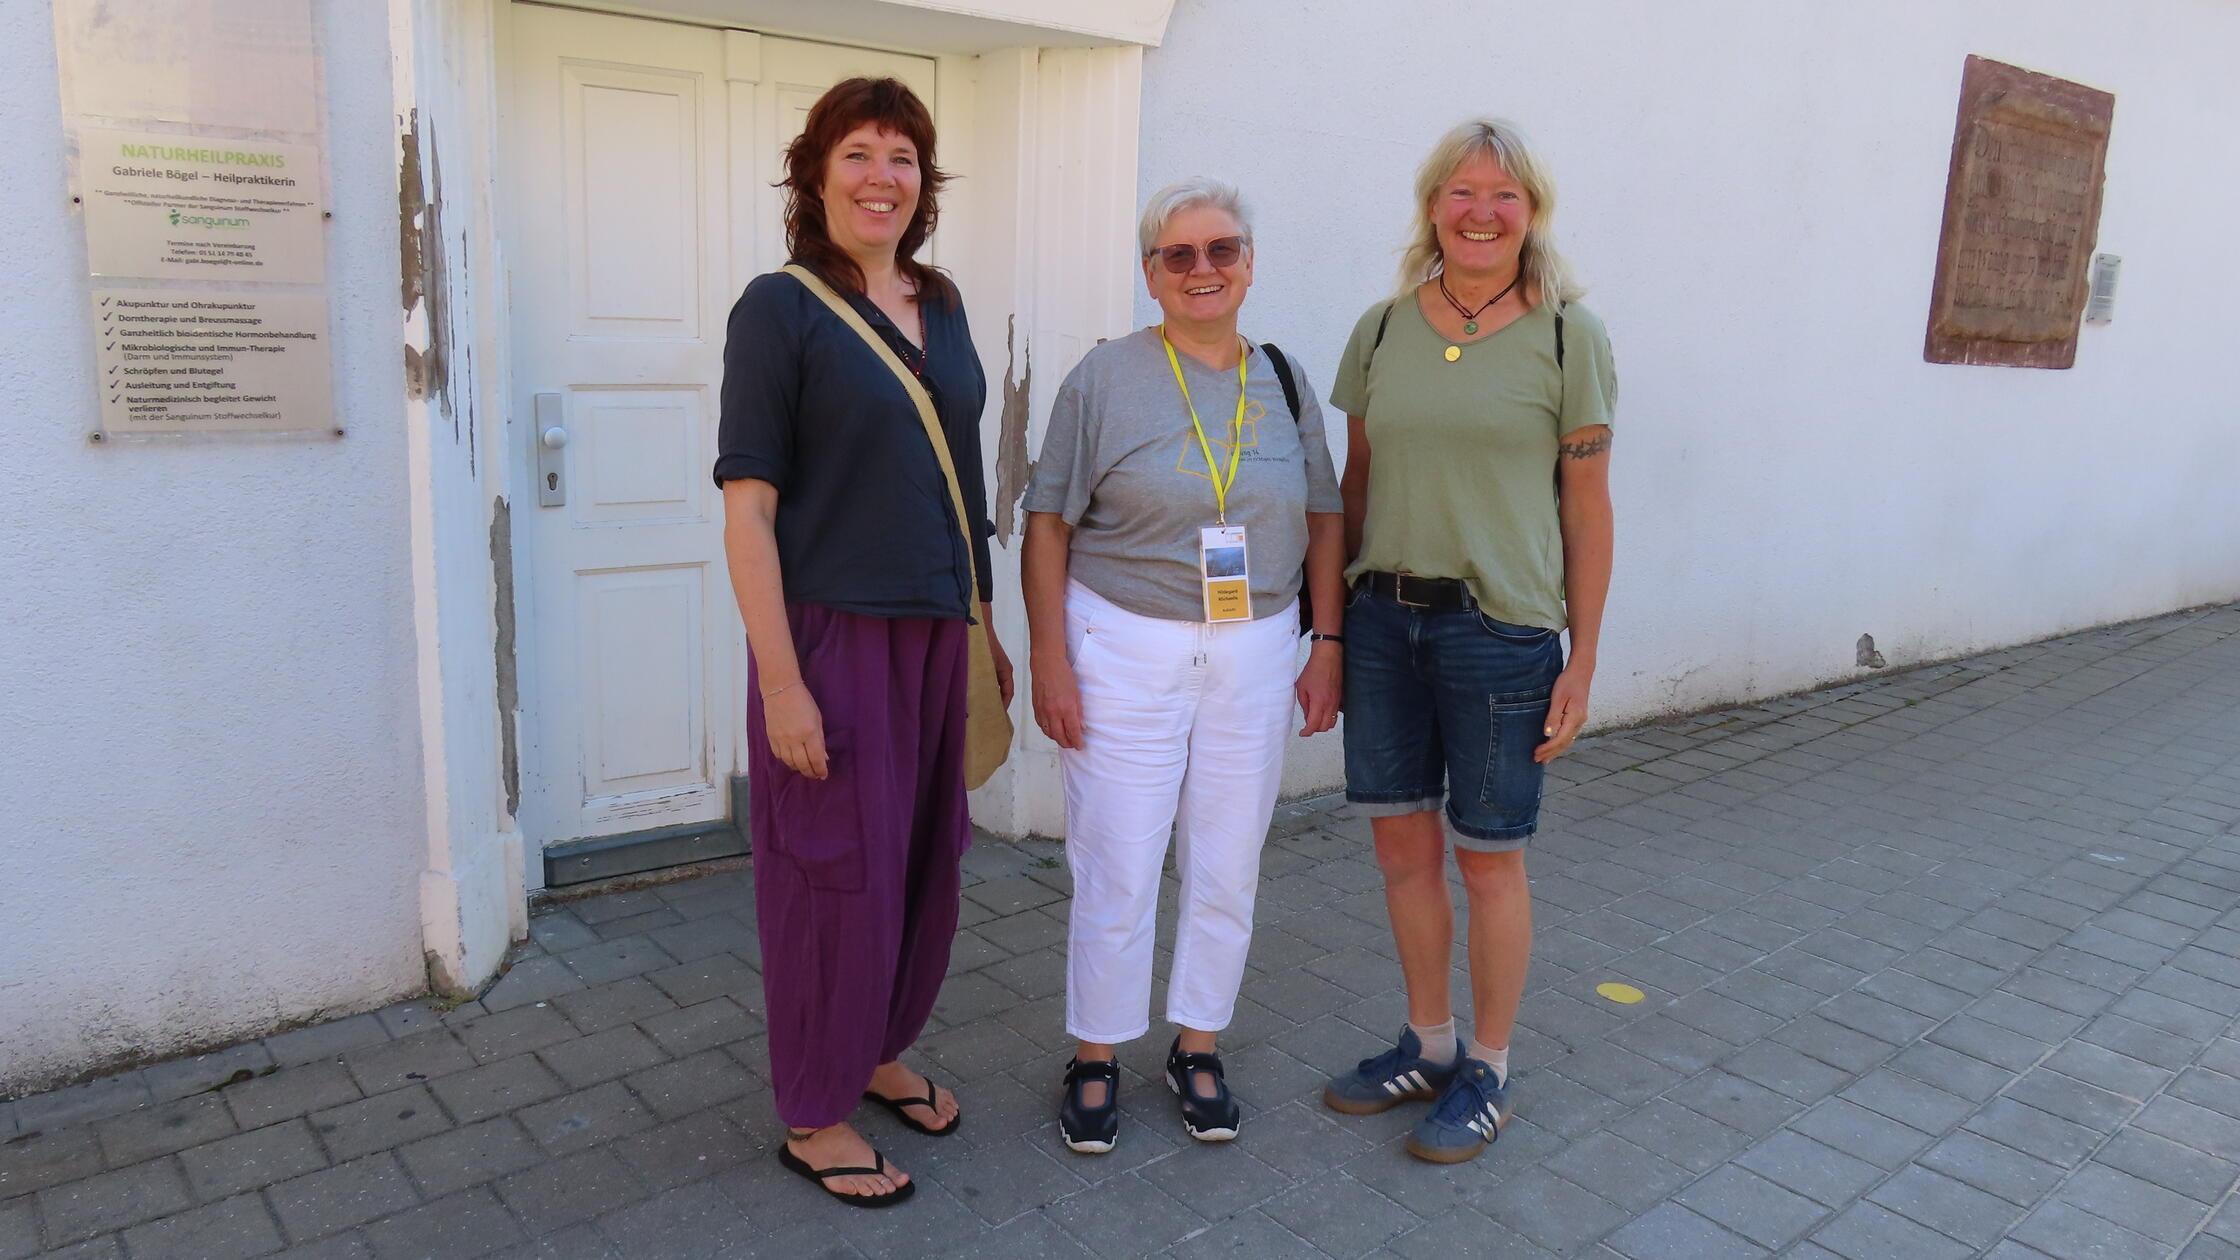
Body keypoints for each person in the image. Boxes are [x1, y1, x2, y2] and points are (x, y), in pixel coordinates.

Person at [714, 77, 1013, 1208]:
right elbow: (748, 512)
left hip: (940, 629)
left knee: (922, 862)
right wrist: (781, 684)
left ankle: (875, 1051)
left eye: (901, 156)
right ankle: (813, 1109)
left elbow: (964, 481)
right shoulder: (778, 309)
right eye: (857, 153)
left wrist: (986, 625)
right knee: (830, 875)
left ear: (922, 183)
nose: (881, 176)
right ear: (815, 174)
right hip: (832, 638)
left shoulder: (943, 302)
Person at [1023, 178, 1346, 1153]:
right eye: (1179, 255)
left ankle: (1197, 1043)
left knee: (1227, 861)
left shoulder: (1283, 378)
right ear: (1150, 273)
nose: (1202, 269)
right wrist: (1049, 658)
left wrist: (1326, 643)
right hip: (1124, 645)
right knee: (1116, 860)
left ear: (1248, 263)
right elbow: (1047, 522)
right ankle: (1094, 1053)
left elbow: (1324, 515)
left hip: (1255, 648)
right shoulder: (1104, 377)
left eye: (1221, 250)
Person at [1318, 119, 1617, 1165]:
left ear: (1531, 211)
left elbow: (1587, 509)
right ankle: (1429, 1043)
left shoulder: (1571, 339)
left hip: (1502, 632)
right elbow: (1353, 486)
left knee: (1489, 861)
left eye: (1502, 195)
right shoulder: (1382, 330)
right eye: (1460, 192)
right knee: (1400, 850)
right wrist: (1328, 631)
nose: (1480, 212)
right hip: (1382, 624)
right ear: (1431, 205)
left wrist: (1583, 658)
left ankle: (1487, 1067)